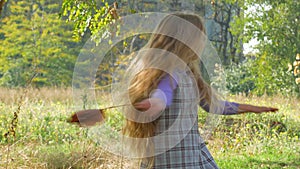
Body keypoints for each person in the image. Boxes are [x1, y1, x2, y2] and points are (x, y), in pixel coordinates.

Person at [121, 13, 278, 169]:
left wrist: (249, 108)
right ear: (184, 40)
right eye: (200, 36)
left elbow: (212, 105)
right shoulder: (171, 73)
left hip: (191, 152)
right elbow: (164, 92)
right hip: (173, 157)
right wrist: (157, 102)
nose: (203, 41)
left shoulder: (189, 74)